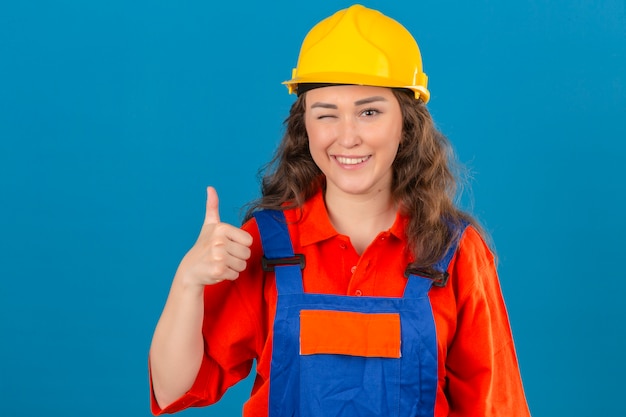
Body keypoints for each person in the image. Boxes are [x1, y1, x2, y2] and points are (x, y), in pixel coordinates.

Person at [149, 4, 531, 416]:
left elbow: (497, 407)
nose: (347, 137)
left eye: (369, 112)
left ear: (406, 124)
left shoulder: (455, 253)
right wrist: (187, 281)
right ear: (305, 126)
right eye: (326, 114)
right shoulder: (265, 245)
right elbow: (173, 389)